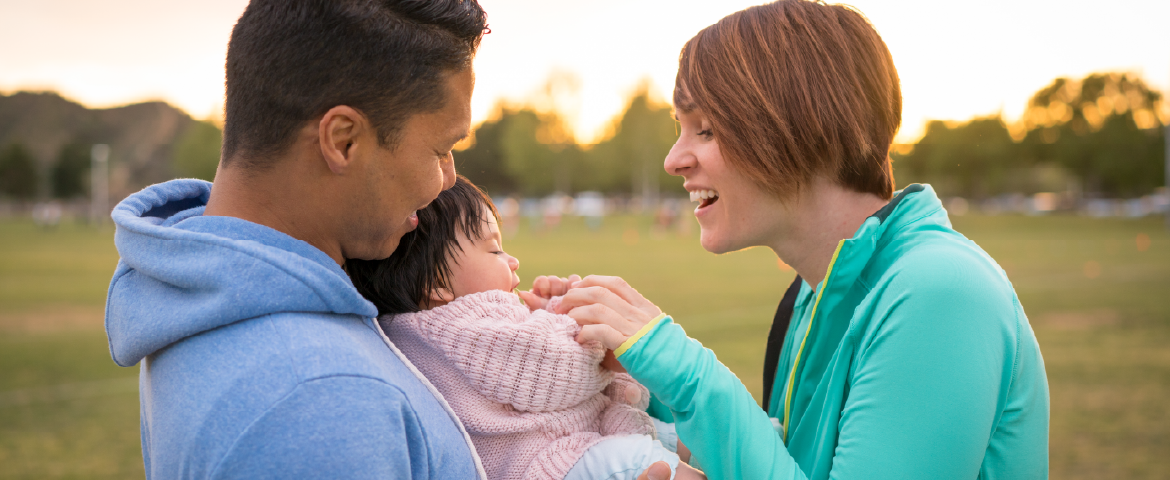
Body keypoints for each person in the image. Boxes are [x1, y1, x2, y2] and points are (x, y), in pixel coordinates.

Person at [555, 1, 1050, 479]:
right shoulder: (815, 291)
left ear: (798, 124)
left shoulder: (938, 290)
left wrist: (687, 372)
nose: (674, 159)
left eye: (704, 129)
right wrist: (643, 380)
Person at [104, 0, 490, 477]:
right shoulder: (323, 398)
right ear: (343, 140)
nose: (448, 179)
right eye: (442, 149)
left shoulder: (199, 290)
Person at [346, 176, 705, 480]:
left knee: (690, 440)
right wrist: (585, 322)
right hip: (553, 461)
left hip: (572, 446)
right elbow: (560, 366)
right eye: (494, 251)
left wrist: (553, 308)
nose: (513, 260)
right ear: (435, 285)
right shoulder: (461, 327)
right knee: (652, 460)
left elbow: (529, 361)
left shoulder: (417, 329)